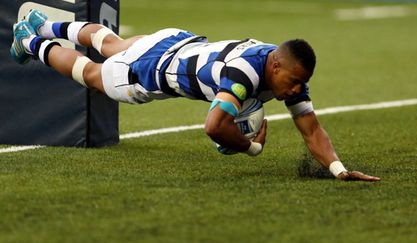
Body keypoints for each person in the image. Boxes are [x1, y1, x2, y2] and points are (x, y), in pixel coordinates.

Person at [10, 9, 380, 181]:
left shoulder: (283, 65)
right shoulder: (245, 74)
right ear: (276, 68)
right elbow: (214, 126)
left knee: (113, 43)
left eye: (302, 84)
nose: (297, 90)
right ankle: (29, 40)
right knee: (91, 75)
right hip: (154, 71)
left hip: (178, 40)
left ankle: (44, 23)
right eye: (295, 82)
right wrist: (249, 146)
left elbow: (311, 128)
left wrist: (339, 170)